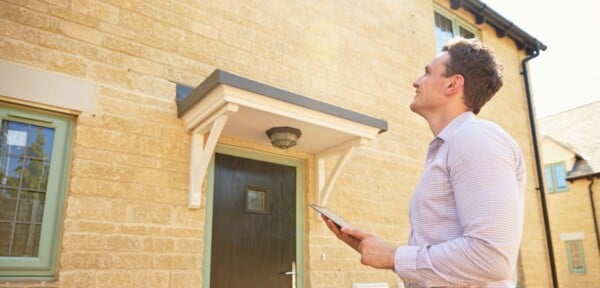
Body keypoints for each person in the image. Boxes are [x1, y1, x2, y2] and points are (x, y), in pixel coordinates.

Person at [322, 37, 526, 287]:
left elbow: (492, 257)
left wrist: (392, 256)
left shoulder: (476, 139)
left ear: (453, 83)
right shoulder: (449, 146)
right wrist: (374, 248)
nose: (416, 81)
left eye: (427, 73)